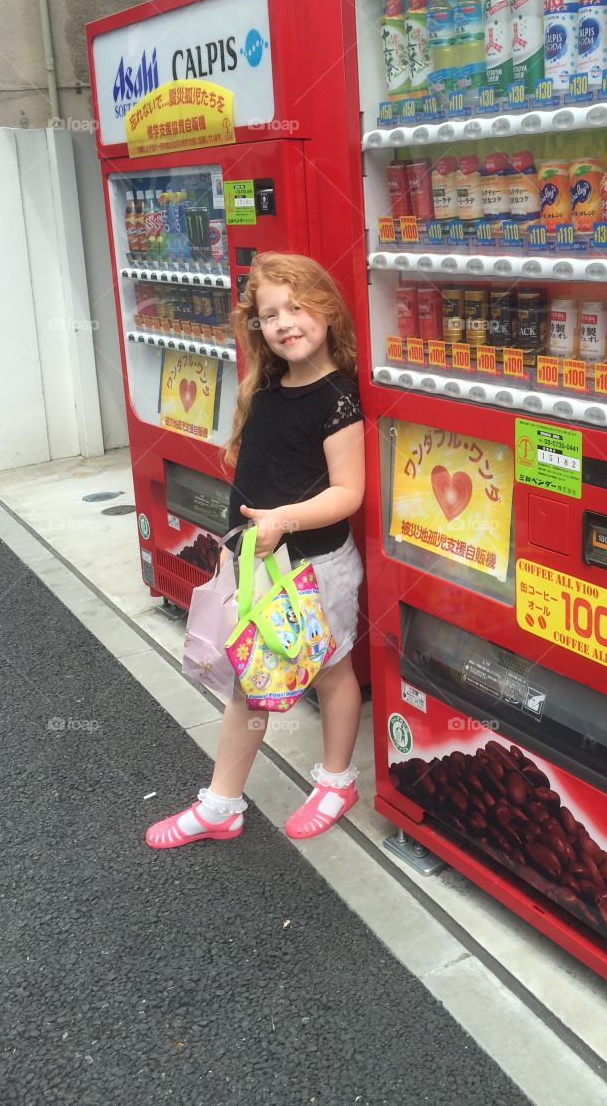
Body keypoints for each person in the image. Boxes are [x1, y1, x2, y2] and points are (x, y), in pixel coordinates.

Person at [146, 253, 365, 848]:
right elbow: (252, 480)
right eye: (271, 314)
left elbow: (349, 492)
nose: (285, 322)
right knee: (253, 680)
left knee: (333, 671)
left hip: (316, 567)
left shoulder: (338, 397)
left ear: (326, 309)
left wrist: (284, 521)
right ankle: (221, 802)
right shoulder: (266, 391)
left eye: (297, 307)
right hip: (260, 562)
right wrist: (230, 544)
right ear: (257, 327)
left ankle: (336, 779)